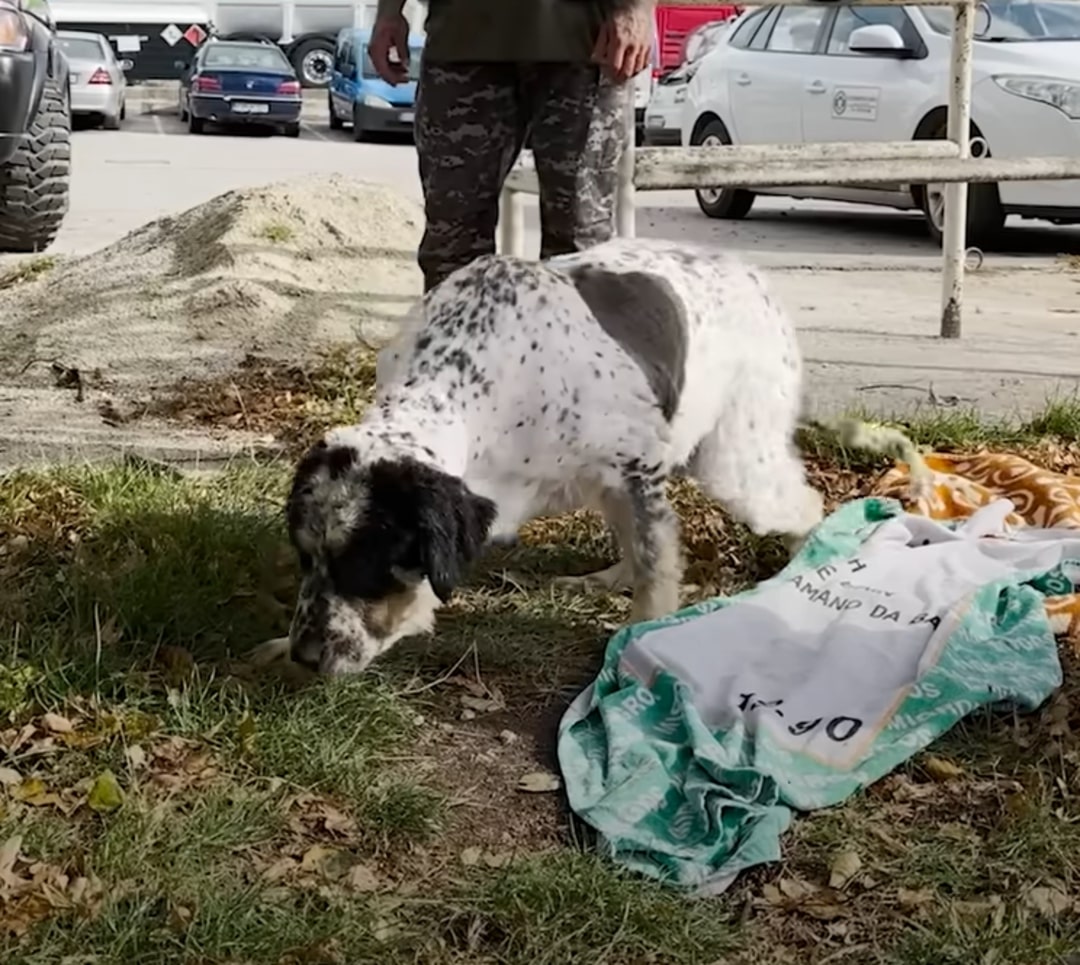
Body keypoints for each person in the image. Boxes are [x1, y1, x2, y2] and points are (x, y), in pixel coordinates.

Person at [369, 0, 655, 292]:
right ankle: (461, 338)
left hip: (586, 45)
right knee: (452, 249)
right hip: (461, 41)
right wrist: (389, 11)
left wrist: (637, 7)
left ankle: (571, 338)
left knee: (579, 248)